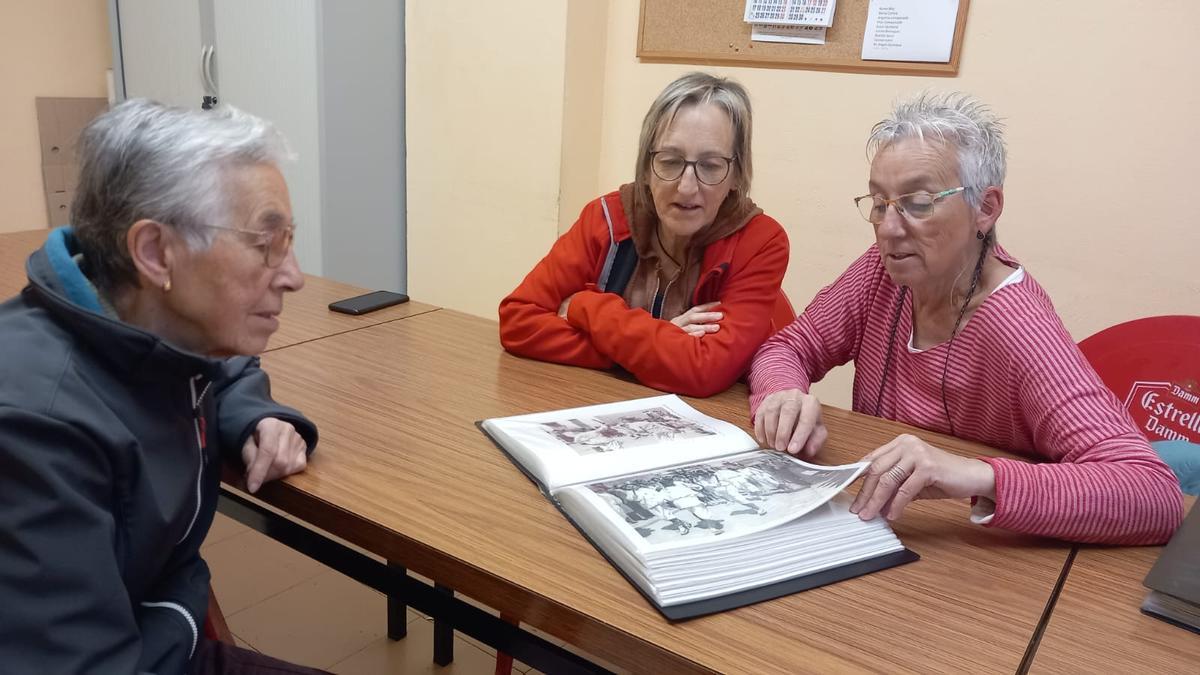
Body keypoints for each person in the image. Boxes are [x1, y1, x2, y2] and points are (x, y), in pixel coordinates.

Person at [749, 92, 1183, 545]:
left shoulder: (1017, 324)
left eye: (918, 203)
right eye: (879, 203)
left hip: (981, 558)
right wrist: (783, 393)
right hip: (882, 523)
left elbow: (1153, 493)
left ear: (986, 208)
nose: (889, 228)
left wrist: (978, 476)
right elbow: (788, 347)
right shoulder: (883, 271)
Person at [0, 100, 327, 673]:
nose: (294, 276)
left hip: (157, 628)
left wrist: (255, 416)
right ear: (154, 253)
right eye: (265, 244)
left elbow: (218, 369)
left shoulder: (140, 320)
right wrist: (179, 611)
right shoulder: (33, 425)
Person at [499, 72, 791, 398]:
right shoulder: (606, 218)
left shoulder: (761, 242)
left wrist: (585, 306)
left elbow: (705, 371)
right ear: (645, 167)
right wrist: (661, 341)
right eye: (670, 161)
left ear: (736, 175)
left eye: (710, 166)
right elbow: (518, 321)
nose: (686, 187)